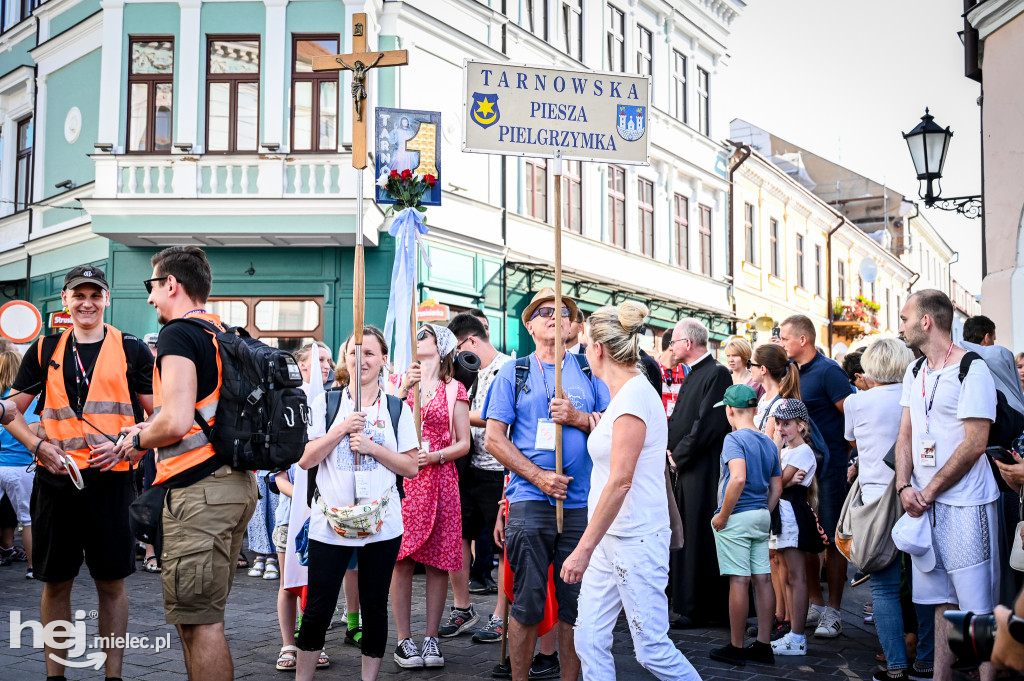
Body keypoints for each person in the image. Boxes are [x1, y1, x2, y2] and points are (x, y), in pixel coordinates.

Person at [114, 246, 258, 681]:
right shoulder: (224, 331)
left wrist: (138, 438)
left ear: (171, 284)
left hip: (199, 493)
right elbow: (197, 410)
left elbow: (176, 421)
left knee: (199, 623)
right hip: (234, 485)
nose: (149, 298)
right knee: (197, 615)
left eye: (152, 286)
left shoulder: (178, 334)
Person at [5, 265, 154, 681]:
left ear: (106, 299)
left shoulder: (132, 349)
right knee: (55, 583)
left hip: (111, 483)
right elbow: (11, 411)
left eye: (95, 295)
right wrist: (38, 446)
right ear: (66, 301)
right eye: (78, 295)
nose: (86, 303)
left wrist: (128, 442)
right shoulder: (45, 349)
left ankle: (114, 676)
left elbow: (158, 416)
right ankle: (56, 676)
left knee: (112, 584)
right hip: (56, 482)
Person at [561, 301, 701, 680]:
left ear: (598, 350)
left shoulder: (635, 397)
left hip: (636, 538)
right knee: (588, 638)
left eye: (585, 343)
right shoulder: (624, 397)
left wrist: (582, 550)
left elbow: (621, 480)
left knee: (652, 649)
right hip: (612, 536)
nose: (584, 351)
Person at [483, 288, 609, 681]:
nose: (555, 316)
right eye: (544, 311)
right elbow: (493, 439)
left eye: (563, 311)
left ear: (573, 326)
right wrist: (538, 477)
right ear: (531, 324)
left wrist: (578, 418)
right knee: (527, 603)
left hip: (581, 506)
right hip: (530, 503)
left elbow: (614, 425)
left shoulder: (591, 370)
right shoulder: (513, 372)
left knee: (576, 605)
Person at [291, 325, 419, 681]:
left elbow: (410, 467)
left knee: (375, 605)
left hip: (381, 525)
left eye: (369, 353)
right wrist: (340, 430)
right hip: (329, 523)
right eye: (353, 352)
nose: (361, 359)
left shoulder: (396, 409)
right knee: (317, 606)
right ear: (344, 359)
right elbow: (305, 459)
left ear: (383, 360)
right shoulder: (326, 403)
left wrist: (373, 447)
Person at [895, 289, 1000, 681]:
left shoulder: (973, 368)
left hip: (965, 505)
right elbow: (904, 434)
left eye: (905, 318)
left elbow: (975, 443)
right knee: (940, 601)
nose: (900, 325)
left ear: (927, 321)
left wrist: (930, 490)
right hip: (924, 504)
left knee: (975, 610)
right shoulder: (914, 371)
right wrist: (905, 486)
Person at [845, 338, 935, 681]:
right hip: (918, 495)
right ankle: (926, 660)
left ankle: (895, 666)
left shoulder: (857, 402)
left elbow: (851, 440)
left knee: (882, 588)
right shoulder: (916, 398)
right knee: (926, 582)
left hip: (876, 503)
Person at [389, 323, 471, 668]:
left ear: (440, 346)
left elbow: (464, 443)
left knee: (438, 562)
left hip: (440, 479)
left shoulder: (455, 389)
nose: (417, 339)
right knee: (402, 559)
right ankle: (403, 639)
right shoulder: (400, 384)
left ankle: (432, 637)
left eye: (424, 334)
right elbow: (384, 425)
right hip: (407, 480)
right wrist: (404, 388)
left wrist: (435, 456)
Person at [779, 314, 854, 638]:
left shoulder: (829, 372)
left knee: (831, 542)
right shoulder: (793, 373)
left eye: (784, 338)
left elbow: (851, 416)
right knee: (808, 539)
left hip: (830, 471)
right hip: (803, 475)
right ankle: (817, 604)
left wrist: (854, 458)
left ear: (802, 340)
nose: (781, 344)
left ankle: (834, 612)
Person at [442, 312, 511, 642]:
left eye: (457, 348)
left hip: (500, 469)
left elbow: (498, 416)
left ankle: (500, 615)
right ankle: (462, 608)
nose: (456, 356)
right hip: (465, 466)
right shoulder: (461, 372)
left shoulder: (509, 368)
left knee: (503, 546)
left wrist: (457, 412)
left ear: (470, 341)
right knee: (456, 538)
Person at [707, 383, 782, 666]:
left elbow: (737, 478)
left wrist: (723, 515)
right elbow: (776, 487)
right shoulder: (767, 441)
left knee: (739, 580)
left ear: (730, 410)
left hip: (737, 517)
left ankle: (736, 647)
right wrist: (764, 509)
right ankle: (764, 645)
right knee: (763, 579)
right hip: (761, 515)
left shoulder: (733, 439)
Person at [666, 317, 732, 628]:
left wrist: (677, 456)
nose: (671, 346)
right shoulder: (695, 373)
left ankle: (699, 606)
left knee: (698, 535)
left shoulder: (717, 373)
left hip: (703, 471)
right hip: (688, 469)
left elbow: (707, 424)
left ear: (688, 344)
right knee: (688, 533)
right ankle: (686, 601)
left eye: (675, 341)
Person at [767, 398, 827, 656]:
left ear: (801, 426)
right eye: (778, 423)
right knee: (788, 576)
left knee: (796, 575)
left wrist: (783, 482)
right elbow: (776, 480)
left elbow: (775, 481)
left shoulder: (801, 451)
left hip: (791, 514)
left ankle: (798, 636)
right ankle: (792, 631)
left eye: (787, 424)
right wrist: (782, 480)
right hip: (781, 513)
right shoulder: (785, 451)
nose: (781, 428)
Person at [0, 351, 35, 578]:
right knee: (29, 519)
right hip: (21, 466)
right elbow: (34, 429)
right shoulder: (26, 399)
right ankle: (34, 567)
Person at [657, 331, 687, 419]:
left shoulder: (687, 371)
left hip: (679, 428)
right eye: (684, 344)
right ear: (671, 345)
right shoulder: (652, 369)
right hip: (657, 427)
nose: (687, 349)